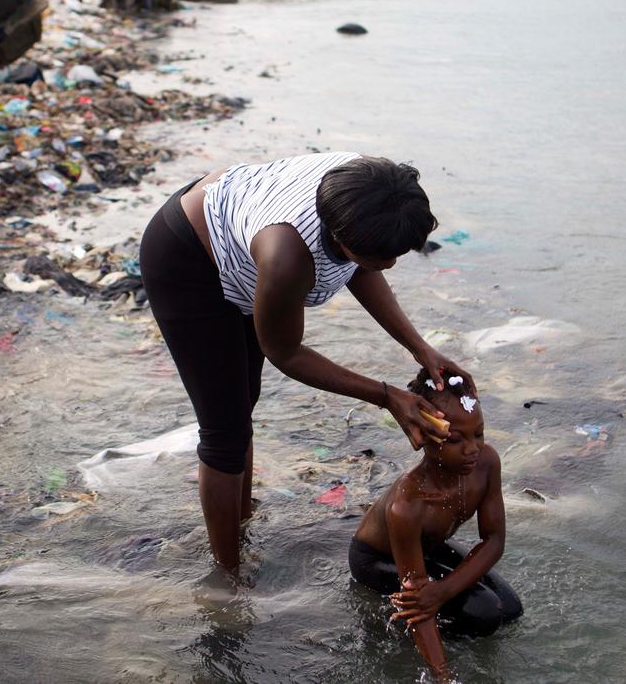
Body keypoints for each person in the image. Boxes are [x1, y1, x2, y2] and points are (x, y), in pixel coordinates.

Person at [138, 152, 470, 571]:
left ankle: (241, 519)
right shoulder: (287, 254)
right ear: (340, 236)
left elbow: (361, 265)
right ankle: (227, 576)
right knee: (224, 428)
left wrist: (420, 347)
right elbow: (285, 352)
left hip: (243, 241)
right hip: (189, 259)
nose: (389, 264)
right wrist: (387, 396)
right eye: (382, 257)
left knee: (242, 403)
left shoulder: (372, 191)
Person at [349, 369, 522, 679]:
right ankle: (391, 627)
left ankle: (447, 609)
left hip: (428, 547)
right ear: (425, 436)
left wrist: (441, 591)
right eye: (456, 439)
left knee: (509, 609)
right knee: (483, 613)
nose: (472, 448)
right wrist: (443, 675)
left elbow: (494, 540)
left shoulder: (486, 464)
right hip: (376, 559)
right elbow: (418, 600)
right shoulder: (409, 503)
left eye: (478, 434)